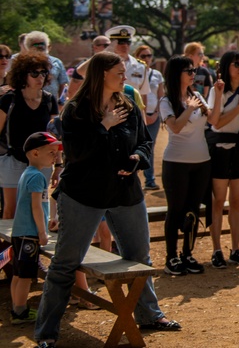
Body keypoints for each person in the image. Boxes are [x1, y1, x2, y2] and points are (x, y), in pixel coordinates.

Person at [34, 52, 179, 348]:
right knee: (65, 263)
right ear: (101, 74)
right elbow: (75, 153)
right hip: (83, 194)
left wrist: (138, 158)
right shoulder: (75, 109)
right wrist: (104, 125)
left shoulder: (127, 103)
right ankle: (47, 332)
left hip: (125, 192)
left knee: (140, 259)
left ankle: (149, 314)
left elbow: (144, 140)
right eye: (119, 72)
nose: (124, 76)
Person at [205, 50, 239, 268]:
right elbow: (216, 122)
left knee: (237, 202)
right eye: (236, 63)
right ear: (226, 67)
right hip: (219, 149)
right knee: (218, 201)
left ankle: (236, 249)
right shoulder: (216, 91)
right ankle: (216, 250)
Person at [158, 55, 212, 275]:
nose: (193, 74)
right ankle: (171, 258)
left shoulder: (197, 95)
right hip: (176, 162)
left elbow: (215, 119)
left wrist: (216, 94)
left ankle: (187, 254)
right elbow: (176, 127)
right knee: (176, 210)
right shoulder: (166, 101)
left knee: (193, 211)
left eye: (194, 71)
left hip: (202, 161)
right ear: (176, 74)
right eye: (188, 71)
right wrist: (189, 109)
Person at [9, 132, 61, 326]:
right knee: (24, 276)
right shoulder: (37, 177)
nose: (55, 157)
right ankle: (20, 312)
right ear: (35, 153)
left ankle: (16, 308)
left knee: (18, 273)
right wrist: (41, 231)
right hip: (29, 235)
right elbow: (36, 206)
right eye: (51, 152)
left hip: (20, 232)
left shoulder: (28, 174)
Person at [0, 51, 59, 218]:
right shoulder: (8, 100)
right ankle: (10, 244)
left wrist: (59, 165)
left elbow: (54, 136)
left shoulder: (49, 100)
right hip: (13, 158)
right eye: (34, 73)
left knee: (38, 208)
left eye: (43, 73)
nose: (40, 77)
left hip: (42, 162)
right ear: (22, 75)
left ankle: (33, 243)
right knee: (10, 210)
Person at [135, 45, 164, 190]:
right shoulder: (134, 72)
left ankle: (150, 179)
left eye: (149, 56)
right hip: (137, 116)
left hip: (154, 116)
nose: (147, 59)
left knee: (149, 147)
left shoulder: (157, 74)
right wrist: (144, 115)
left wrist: (156, 113)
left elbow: (161, 96)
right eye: (143, 56)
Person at [21, 32, 69, 110]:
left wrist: (61, 103)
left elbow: (64, 85)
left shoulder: (56, 62)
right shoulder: (24, 64)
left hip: (51, 104)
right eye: (36, 45)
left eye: (42, 44)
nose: (40, 46)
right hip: (28, 104)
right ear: (28, 47)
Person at [66, 35, 111, 100]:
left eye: (110, 45)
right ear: (95, 47)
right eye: (106, 46)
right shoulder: (83, 66)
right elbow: (72, 91)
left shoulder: (116, 64)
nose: (109, 48)